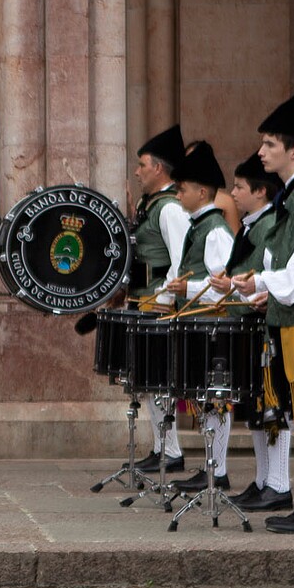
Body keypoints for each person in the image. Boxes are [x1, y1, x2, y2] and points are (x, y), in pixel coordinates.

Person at [214, 87, 294, 533]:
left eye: (270, 144)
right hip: (290, 314)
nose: (262, 150)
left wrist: (264, 281)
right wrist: (260, 282)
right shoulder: (293, 193)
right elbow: (287, 263)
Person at [159, 142, 236, 495]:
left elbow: (222, 286)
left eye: (183, 189)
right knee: (205, 399)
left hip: (214, 326)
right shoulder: (198, 225)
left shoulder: (216, 229)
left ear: (202, 191)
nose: (178, 194)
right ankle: (210, 467)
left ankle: (217, 470)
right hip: (199, 325)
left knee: (215, 399)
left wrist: (184, 289)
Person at [224, 154, 294, 513]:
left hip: (266, 325)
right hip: (250, 324)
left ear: (261, 191)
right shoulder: (252, 224)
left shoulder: (268, 225)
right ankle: (264, 480)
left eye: (239, 187)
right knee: (255, 405)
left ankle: (279, 484)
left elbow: (269, 273)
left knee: (273, 404)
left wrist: (238, 287)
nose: (233, 193)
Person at [129, 123, 191, 474]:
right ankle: (161, 446)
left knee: (160, 380)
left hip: (160, 304)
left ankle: (171, 450)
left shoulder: (169, 208)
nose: (137, 172)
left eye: (142, 165)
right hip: (143, 301)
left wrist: (167, 301)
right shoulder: (149, 204)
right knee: (149, 382)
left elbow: (181, 261)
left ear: (158, 168)